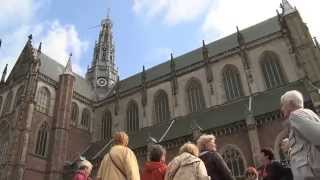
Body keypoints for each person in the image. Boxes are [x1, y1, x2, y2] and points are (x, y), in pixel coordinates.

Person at [281, 90, 320, 179]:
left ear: (290, 103)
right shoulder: (305, 114)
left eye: (283, 105)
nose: (282, 109)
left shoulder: (296, 115)